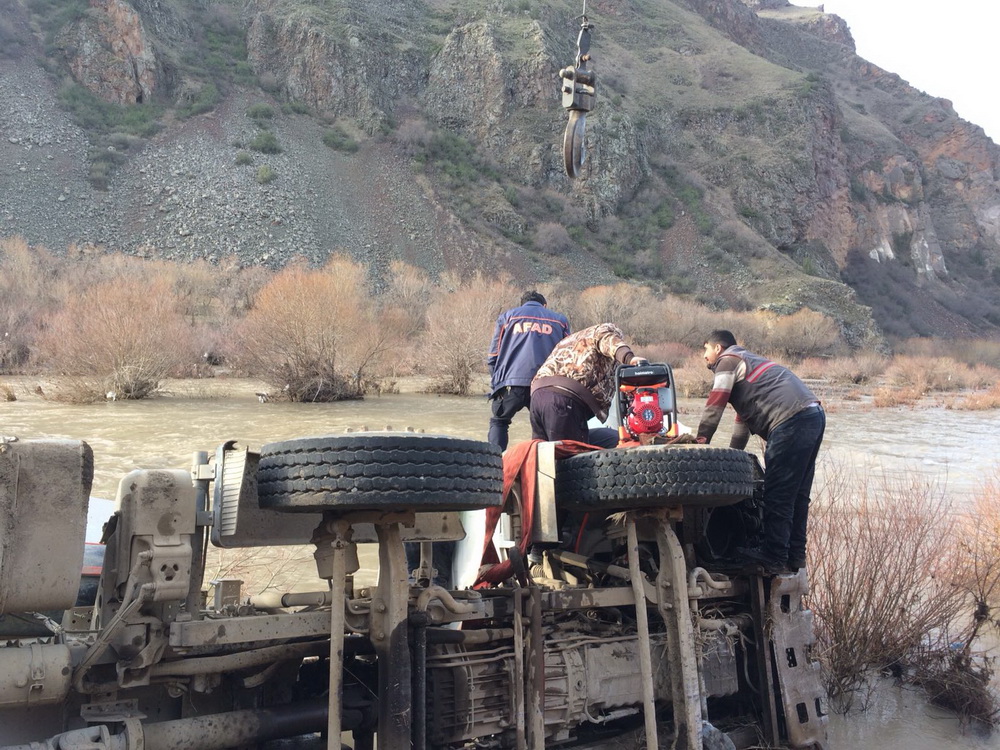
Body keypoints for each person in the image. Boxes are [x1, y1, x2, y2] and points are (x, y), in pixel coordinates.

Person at [695, 330, 825, 575]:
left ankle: (773, 557)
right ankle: (794, 557)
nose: (705, 356)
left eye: (706, 349)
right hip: (812, 415)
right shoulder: (750, 368)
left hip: (789, 420)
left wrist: (700, 441)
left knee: (777, 493)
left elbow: (715, 403)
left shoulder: (728, 361)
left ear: (718, 349)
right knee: (797, 494)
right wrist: (732, 459)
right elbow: (741, 428)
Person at [529, 322, 646, 447]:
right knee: (571, 456)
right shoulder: (602, 331)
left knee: (542, 456)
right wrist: (629, 358)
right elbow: (607, 339)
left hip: (537, 397)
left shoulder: (570, 340)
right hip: (564, 399)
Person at [486, 291, 570, 451]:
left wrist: (497, 383)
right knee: (547, 428)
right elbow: (568, 355)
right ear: (544, 305)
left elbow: (493, 356)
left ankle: (495, 465)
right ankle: (545, 468)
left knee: (500, 421)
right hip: (545, 384)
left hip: (511, 383)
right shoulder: (560, 321)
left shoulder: (507, 317)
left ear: (522, 303)